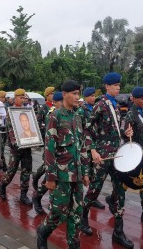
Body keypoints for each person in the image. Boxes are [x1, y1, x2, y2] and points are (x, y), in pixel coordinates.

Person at [81, 72, 134, 248]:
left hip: (116, 154)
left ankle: (118, 232)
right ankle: (82, 217)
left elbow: (117, 128)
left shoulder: (116, 105)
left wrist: (126, 133)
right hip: (103, 156)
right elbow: (87, 129)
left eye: (119, 85)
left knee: (120, 191)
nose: (118, 87)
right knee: (95, 189)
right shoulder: (100, 104)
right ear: (107, 87)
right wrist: (93, 150)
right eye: (115, 85)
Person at [36, 81, 90, 249]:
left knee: (76, 214)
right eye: (73, 93)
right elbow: (49, 149)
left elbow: (82, 147)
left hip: (77, 175)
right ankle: (43, 231)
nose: (77, 97)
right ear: (64, 94)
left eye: (78, 93)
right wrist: (50, 177)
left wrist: (86, 172)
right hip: (61, 176)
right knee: (58, 213)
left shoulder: (77, 116)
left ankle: (73, 245)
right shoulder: (55, 116)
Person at [107, 86, 143, 226]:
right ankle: (113, 199)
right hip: (136, 155)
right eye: (142, 98)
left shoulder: (142, 113)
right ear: (135, 99)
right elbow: (127, 136)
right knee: (127, 182)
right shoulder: (131, 115)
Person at [0, 88, 33, 205]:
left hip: (27, 145)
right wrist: (15, 142)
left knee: (26, 170)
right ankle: (2, 186)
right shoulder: (10, 111)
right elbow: (10, 129)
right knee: (12, 170)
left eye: (24, 98)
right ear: (15, 98)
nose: (22, 100)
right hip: (16, 148)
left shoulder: (26, 111)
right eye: (20, 97)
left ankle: (23, 195)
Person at [32, 91, 63, 215]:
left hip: (64, 155)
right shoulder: (52, 114)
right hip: (53, 152)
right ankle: (37, 196)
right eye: (61, 101)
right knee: (50, 178)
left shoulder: (69, 114)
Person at [77, 87, 106, 210]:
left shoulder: (95, 109)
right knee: (86, 172)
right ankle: (83, 198)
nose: (93, 98)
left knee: (95, 172)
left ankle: (93, 197)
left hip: (96, 144)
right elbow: (82, 130)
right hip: (85, 145)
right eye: (91, 96)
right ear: (86, 97)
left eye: (94, 96)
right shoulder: (81, 111)